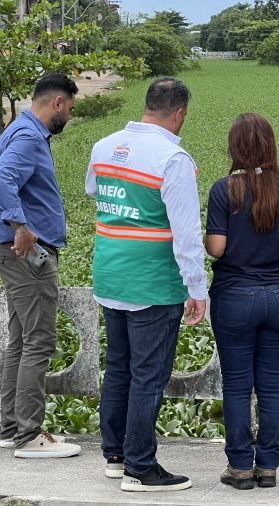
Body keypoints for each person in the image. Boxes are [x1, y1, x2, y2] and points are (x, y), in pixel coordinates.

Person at [86, 77, 207, 492]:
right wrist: (197, 289)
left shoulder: (103, 147)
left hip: (110, 274)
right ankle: (140, 466)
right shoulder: (172, 159)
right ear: (179, 113)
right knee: (148, 376)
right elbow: (187, 234)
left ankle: (116, 455)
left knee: (119, 368)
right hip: (152, 282)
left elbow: (94, 190)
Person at [205, 113, 279, 489]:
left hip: (236, 295)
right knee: (270, 384)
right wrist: (276, 244)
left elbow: (217, 248)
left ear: (234, 147)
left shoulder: (224, 190)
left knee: (237, 385)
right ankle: (267, 466)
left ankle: (239, 467)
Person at [0, 72, 81, 459]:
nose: (69, 117)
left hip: (15, 252)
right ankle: (29, 436)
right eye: (70, 109)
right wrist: (21, 226)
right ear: (57, 102)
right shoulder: (28, 136)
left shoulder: (17, 129)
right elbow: (0, 180)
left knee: (21, 340)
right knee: (39, 340)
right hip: (28, 253)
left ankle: (12, 429)